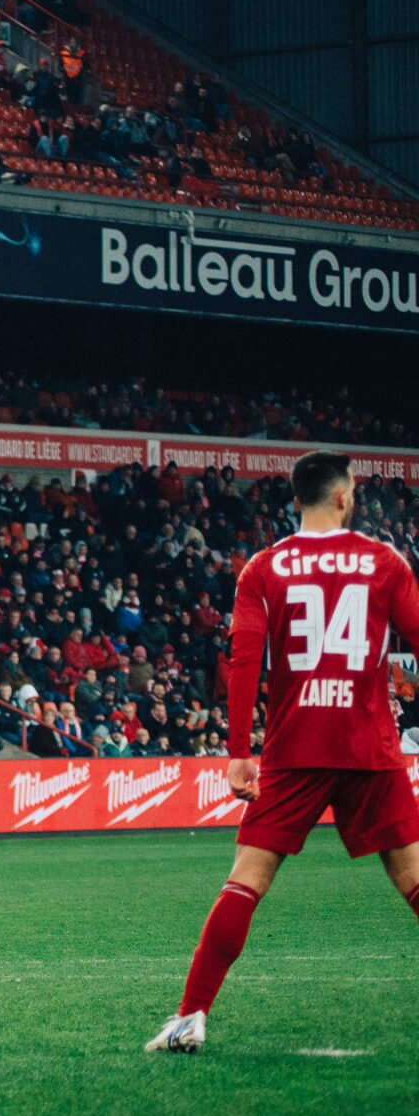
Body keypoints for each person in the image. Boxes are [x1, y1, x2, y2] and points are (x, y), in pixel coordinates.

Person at [154, 451, 419, 1054]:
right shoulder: (384, 562)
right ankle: (188, 1014)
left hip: (295, 747)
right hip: (369, 744)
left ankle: (190, 1016)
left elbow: (244, 662)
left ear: (298, 498)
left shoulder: (265, 567)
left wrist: (239, 750)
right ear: (345, 497)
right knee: (413, 879)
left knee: (246, 881)